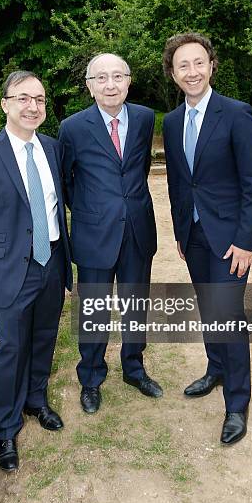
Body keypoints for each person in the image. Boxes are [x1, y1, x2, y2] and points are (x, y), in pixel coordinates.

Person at [0, 71, 72, 471]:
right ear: (5, 103)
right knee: (10, 349)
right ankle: (5, 427)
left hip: (52, 262)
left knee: (44, 338)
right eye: (23, 98)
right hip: (11, 270)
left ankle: (36, 400)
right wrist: (2, 252)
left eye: (39, 99)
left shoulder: (54, 149)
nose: (32, 107)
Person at [162, 33, 252, 444]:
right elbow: (177, 182)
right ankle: (215, 368)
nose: (193, 71)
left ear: (211, 66)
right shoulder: (170, 123)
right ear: (173, 73)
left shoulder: (236, 114)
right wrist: (180, 232)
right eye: (183, 65)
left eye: (199, 62)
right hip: (195, 236)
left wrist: (246, 241)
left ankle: (237, 403)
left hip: (230, 239)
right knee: (208, 308)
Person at [59, 53, 162, 413]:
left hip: (137, 229)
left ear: (129, 81)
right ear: (89, 86)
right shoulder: (72, 128)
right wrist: (93, 210)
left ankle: (134, 368)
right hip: (93, 234)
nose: (110, 84)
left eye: (117, 76)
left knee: (136, 305)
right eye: (101, 78)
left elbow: (139, 168)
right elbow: (66, 181)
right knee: (94, 310)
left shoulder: (146, 118)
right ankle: (90, 377)